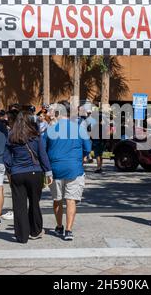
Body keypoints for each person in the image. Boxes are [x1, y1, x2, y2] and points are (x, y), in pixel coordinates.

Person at [44, 100, 91, 241]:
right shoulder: (79, 129)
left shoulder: (50, 130)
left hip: (55, 169)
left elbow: (43, 150)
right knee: (71, 200)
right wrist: (79, 158)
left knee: (57, 199)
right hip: (74, 169)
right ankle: (69, 230)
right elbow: (87, 149)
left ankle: (59, 226)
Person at [4, 112, 53, 243]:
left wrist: (10, 171)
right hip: (35, 173)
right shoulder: (36, 136)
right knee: (34, 203)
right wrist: (48, 172)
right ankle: (35, 231)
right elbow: (43, 155)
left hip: (17, 173)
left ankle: (22, 235)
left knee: (19, 205)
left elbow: (6, 158)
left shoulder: (11, 136)